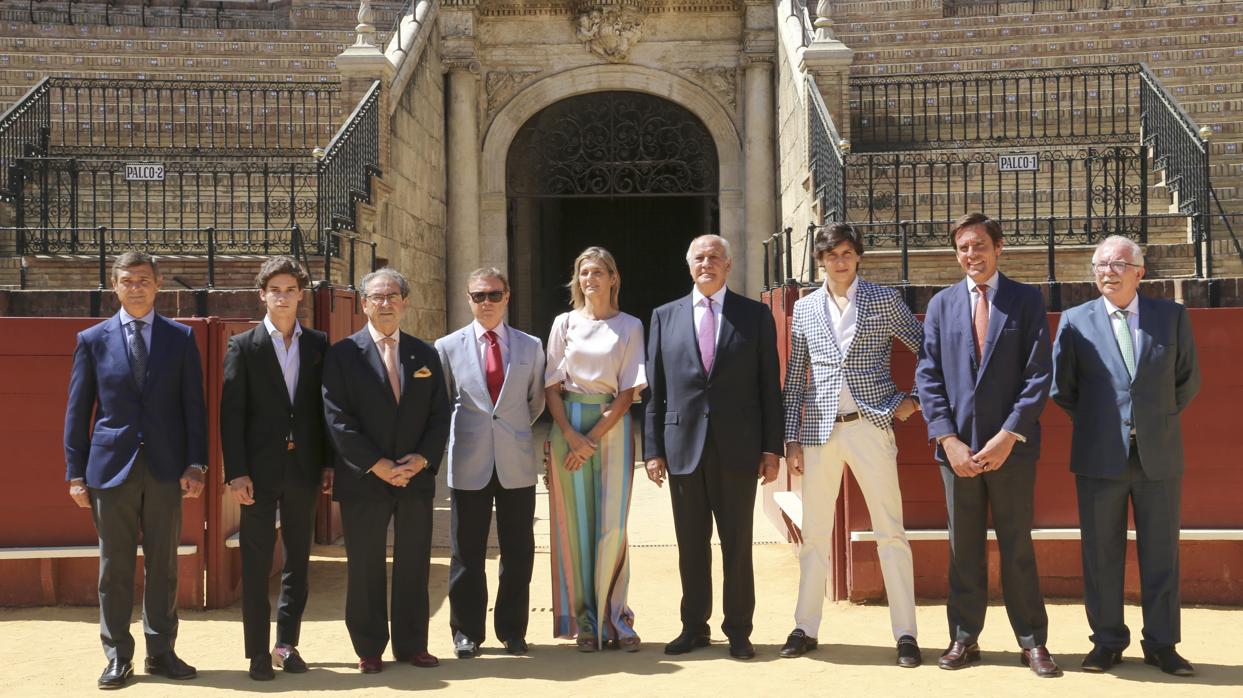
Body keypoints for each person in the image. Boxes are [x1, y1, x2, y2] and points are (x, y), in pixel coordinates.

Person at [914, 212, 1062, 677]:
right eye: (963, 248)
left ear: (999, 248)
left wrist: (1008, 435)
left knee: (1017, 544)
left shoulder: (1025, 300)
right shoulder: (940, 305)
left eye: (979, 245)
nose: (971, 255)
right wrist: (948, 439)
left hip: (1011, 449)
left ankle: (1032, 641)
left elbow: (1039, 375)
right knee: (963, 548)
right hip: (956, 452)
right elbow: (928, 376)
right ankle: (963, 637)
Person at [1051, 236, 1201, 677]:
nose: (1108, 271)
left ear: (1140, 271)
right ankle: (1108, 642)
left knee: (1161, 553)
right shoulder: (1075, 321)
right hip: (1100, 455)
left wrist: (1151, 419)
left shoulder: (1170, 317)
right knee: (1100, 553)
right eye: (1100, 264)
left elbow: (1186, 380)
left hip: (1158, 454)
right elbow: (1064, 389)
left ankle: (1162, 644)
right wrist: (1103, 423)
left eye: (1118, 264)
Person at [779, 224, 924, 666]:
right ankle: (805, 626)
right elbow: (795, 378)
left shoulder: (883, 299)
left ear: (858, 257)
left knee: (890, 531)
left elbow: (929, 348)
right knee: (815, 534)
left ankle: (906, 634)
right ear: (820, 261)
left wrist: (912, 400)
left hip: (871, 425)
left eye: (846, 253)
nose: (839, 261)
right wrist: (790, 437)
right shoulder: (803, 309)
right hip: (819, 431)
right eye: (830, 255)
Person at [63, 250, 208, 689]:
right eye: (128, 281)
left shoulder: (180, 338)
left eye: (144, 280)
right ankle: (116, 656)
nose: (136, 287)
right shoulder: (92, 340)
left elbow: (193, 408)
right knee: (115, 567)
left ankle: (161, 652)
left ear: (158, 284)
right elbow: (77, 412)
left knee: (163, 566)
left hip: (166, 469)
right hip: (109, 469)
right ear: (115, 286)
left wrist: (196, 463)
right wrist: (75, 473)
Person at [644, 234, 783, 661]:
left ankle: (739, 629)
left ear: (729, 264)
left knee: (737, 544)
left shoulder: (755, 315)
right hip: (682, 445)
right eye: (700, 258)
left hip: (738, 448)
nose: (707, 263)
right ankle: (693, 626)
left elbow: (768, 387)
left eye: (715, 257)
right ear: (689, 266)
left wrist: (771, 448)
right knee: (691, 543)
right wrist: (652, 449)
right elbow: (656, 391)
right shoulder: (664, 316)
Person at [321, 268, 451, 674]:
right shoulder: (342, 355)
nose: (386, 303)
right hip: (364, 479)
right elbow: (337, 419)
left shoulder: (424, 354)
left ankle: (413, 645)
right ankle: (369, 648)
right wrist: (377, 465)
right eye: (377, 297)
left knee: (414, 563)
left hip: (414, 479)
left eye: (393, 295)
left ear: (405, 302)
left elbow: (440, 414)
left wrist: (422, 459)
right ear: (363, 304)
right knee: (365, 566)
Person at [220, 256, 333, 681]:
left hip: (303, 467)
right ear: (262, 295)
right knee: (256, 561)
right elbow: (231, 414)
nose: (282, 297)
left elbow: (325, 411)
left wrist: (326, 463)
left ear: (301, 294)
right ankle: (256, 653)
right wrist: (237, 472)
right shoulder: (244, 346)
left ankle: (286, 644)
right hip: (258, 472)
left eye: (290, 289)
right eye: (275, 290)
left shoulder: (318, 344)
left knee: (298, 561)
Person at [435, 267, 546, 658]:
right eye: (479, 295)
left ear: (507, 296)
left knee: (518, 551)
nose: (486, 302)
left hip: (515, 462)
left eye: (493, 295)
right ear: (468, 299)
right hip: (469, 461)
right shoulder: (446, 347)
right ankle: (466, 632)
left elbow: (535, 402)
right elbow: (445, 402)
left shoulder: (531, 346)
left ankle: (512, 631)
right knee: (467, 552)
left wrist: (510, 431)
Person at [544, 247, 646, 652]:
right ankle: (585, 623)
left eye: (599, 272)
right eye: (584, 272)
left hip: (613, 428)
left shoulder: (630, 326)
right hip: (567, 424)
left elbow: (627, 392)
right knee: (575, 528)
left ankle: (616, 618)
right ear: (578, 279)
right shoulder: (563, 323)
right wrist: (570, 434)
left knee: (612, 526)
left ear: (613, 278)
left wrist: (593, 437)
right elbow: (552, 384)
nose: (591, 279)